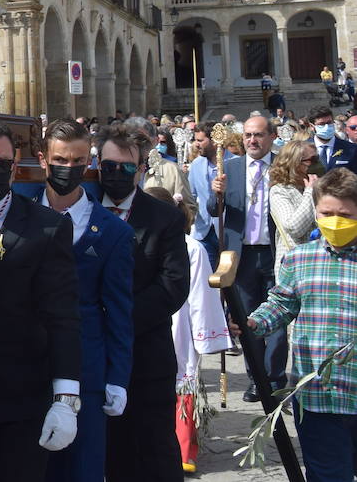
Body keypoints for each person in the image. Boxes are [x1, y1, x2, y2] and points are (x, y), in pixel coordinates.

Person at [0, 119, 80, 482]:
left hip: (20, 400)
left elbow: (63, 316)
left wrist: (66, 399)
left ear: (15, 165)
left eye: (1, 165)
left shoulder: (47, 227)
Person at [39, 119, 134, 482]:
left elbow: (119, 311)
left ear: (89, 163)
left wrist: (118, 377)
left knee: (83, 470)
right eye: (60, 160)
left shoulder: (112, 231)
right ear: (43, 160)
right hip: (29, 368)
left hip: (86, 370)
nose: (68, 168)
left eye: (78, 161)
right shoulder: (19, 216)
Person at [248, 168, 357, 482]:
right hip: (318, 396)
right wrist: (253, 322)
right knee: (327, 475)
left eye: (345, 215)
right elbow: (281, 304)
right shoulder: (299, 259)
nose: (335, 222)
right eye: (326, 213)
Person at [96, 123, 190, 482]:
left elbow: (172, 286)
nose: (116, 175)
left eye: (125, 168)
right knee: (107, 450)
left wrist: (115, 320)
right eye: (108, 167)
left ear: (141, 170)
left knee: (153, 451)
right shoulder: (84, 208)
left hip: (145, 353)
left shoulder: (163, 217)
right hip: (93, 354)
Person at [141, 187, 228, 475]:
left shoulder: (192, 247)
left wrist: (205, 335)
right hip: (150, 320)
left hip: (180, 321)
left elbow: (202, 296)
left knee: (182, 381)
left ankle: (183, 448)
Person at [208, 114, 287, 399]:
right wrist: (215, 192)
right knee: (247, 320)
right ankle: (257, 379)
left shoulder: (281, 166)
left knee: (277, 320)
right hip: (241, 255)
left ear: (271, 136)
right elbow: (213, 210)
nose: (252, 140)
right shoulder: (230, 167)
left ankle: (276, 379)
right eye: (248, 136)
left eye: (258, 135)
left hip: (275, 252)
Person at [270, 130, 320, 256]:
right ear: (294, 163)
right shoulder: (280, 191)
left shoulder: (319, 187)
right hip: (295, 261)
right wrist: (309, 193)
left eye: (317, 159)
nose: (317, 164)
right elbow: (294, 228)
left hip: (320, 258)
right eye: (311, 160)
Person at [184, 126, 224, 269]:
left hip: (228, 231)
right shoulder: (196, 164)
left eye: (200, 140)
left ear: (214, 140)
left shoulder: (234, 162)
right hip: (203, 231)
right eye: (195, 140)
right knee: (208, 278)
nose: (196, 144)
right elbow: (191, 196)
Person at [311, 106, 357, 171]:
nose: (326, 127)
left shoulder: (351, 148)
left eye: (329, 122)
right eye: (322, 124)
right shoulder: (303, 148)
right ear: (312, 126)